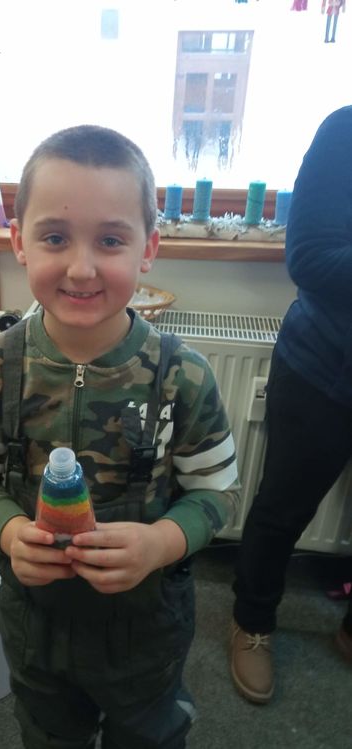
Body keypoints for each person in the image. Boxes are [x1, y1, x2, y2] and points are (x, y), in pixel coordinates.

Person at [0, 124, 239, 749]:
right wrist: (7, 530)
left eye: (110, 240)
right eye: (55, 237)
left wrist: (161, 542)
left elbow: (218, 493)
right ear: (19, 242)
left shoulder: (183, 375)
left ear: (148, 248)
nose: (81, 269)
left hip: (146, 632)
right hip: (35, 627)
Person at [230, 106, 352, 705]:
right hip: (323, 367)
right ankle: (251, 623)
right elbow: (309, 257)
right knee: (281, 510)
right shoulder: (345, 132)